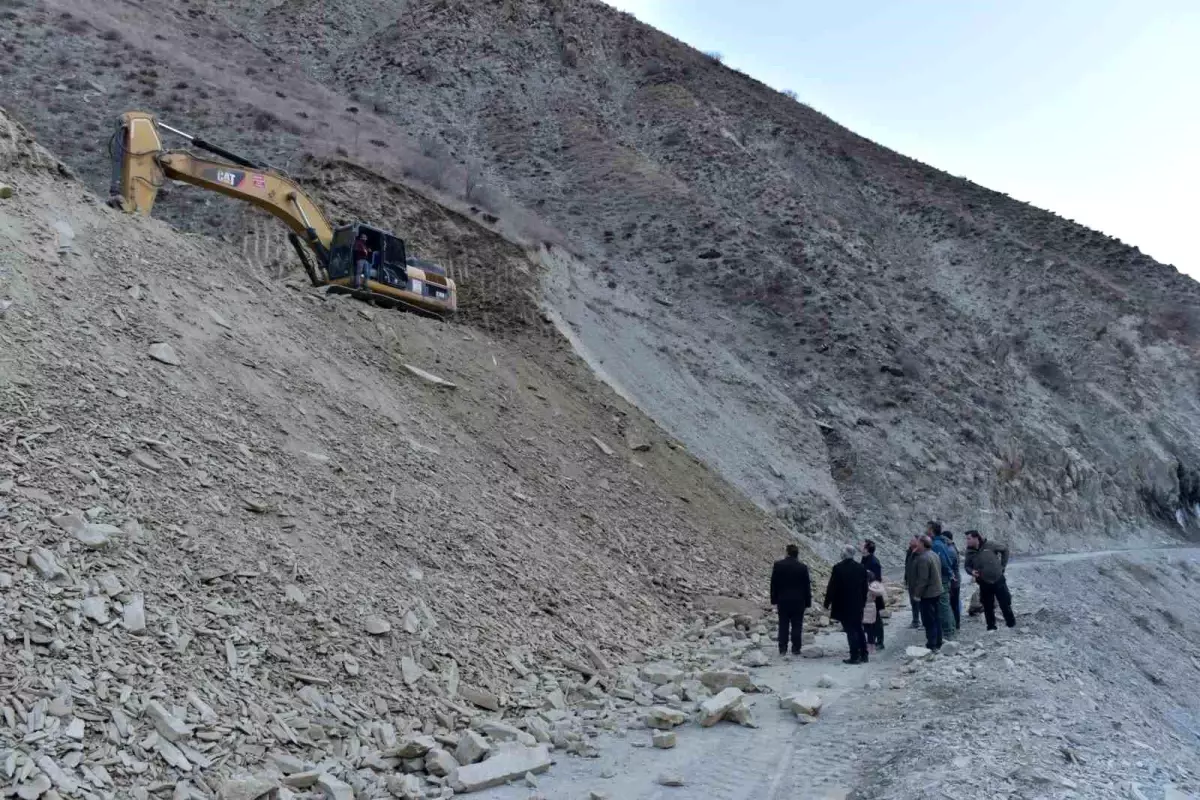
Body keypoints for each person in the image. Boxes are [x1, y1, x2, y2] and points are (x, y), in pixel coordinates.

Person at [824, 544, 870, 664]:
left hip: (843, 604)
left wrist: (827, 603)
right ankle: (864, 654)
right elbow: (865, 588)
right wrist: (863, 601)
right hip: (858, 603)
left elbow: (832, 587)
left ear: (844, 554)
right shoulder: (861, 568)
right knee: (859, 628)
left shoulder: (838, 568)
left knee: (850, 630)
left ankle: (854, 655)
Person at [964, 530, 1015, 630]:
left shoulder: (990, 545)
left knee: (1005, 602)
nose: (967, 541)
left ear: (976, 538)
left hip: (998, 579)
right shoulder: (969, 551)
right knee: (987, 606)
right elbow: (966, 566)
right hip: (983, 582)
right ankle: (991, 627)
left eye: (969, 538)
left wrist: (1002, 566)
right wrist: (972, 572)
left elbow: (1005, 550)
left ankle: (1011, 624)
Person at [770, 543, 812, 657]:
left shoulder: (778, 565)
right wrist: (808, 602)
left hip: (783, 600)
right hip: (799, 601)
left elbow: (774, 584)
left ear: (787, 552)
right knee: (797, 624)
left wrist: (774, 600)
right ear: (797, 554)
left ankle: (782, 648)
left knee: (783, 624)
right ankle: (796, 648)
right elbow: (807, 586)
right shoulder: (803, 567)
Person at [910, 535, 944, 650]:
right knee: (936, 618)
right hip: (937, 591)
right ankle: (938, 641)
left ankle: (932, 644)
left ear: (923, 544)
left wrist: (917, 594)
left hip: (928, 594)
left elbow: (923, 579)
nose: (916, 544)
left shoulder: (923, 558)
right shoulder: (934, 554)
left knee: (928, 620)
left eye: (918, 543)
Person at [928, 522, 957, 640]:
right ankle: (951, 628)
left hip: (942, 579)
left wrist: (949, 574)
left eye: (927, 528)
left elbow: (943, 563)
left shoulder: (936, 545)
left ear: (931, 530)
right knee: (945, 604)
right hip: (944, 578)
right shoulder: (940, 543)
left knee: (943, 605)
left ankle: (948, 632)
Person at [861, 540, 885, 649]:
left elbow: (877, 580)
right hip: (867, 594)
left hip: (873, 594)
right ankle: (872, 640)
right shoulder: (865, 559)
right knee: (870, 618)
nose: (860, 545)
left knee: (876, 618)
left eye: (862, 545)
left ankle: (880, 641)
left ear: (866, 548)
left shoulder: (874, 562)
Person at [944, 531, 962, 630]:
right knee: (954, 603)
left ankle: (956, 625)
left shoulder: (950, 550)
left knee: (953, 604)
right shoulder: (952, 548)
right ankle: (956, 624)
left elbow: (948, 567)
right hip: (955, 580)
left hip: (953, 581)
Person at [863, 576, 886, 654]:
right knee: (871, 625)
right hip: (872, 605)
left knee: (874, 624)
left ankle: (876, 642)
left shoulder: (872, 585)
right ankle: (872, 643)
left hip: (872, 605)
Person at [904, 537, 922, 629]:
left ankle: (923, 622)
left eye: (912, 540)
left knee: (920, 602)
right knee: (913, 602)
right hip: (911, 582)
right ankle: (915, 620)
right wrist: (906, 579)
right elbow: (907, 566)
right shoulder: (909, 552)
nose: (910, 542)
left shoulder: (920, 553)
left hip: (918, 582)